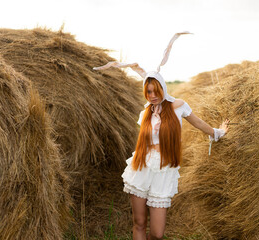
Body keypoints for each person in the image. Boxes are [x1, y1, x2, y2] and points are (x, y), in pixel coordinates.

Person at [94, 32, 229, 240]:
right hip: (141, 167)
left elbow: (198, 123)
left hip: (164, 170)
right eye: (148, 92)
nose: (152, 95)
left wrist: (218, 132)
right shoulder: (146, 112)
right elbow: (143, 142)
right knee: (139, 223)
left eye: (155, 90)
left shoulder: (178, 106)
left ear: (162, 88)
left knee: (157, 234)